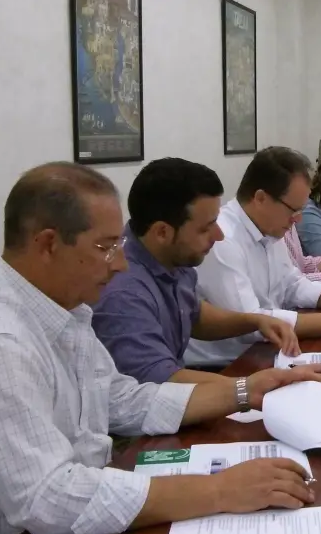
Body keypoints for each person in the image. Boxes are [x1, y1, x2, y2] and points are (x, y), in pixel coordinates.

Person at [0, 162, 321, 534]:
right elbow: (49, 499)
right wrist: (220, 489)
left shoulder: (64, 307)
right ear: (48, 244)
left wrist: (247, 391)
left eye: (119, 244)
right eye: (106, 247)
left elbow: (121, 398)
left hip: (71, 520)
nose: (120, 263)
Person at [92, 158, 303, 385]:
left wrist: (254, 321)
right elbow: (157, 381)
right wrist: (252, 386)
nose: (219, 236)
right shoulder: (123, 292)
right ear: (162, 232)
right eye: (205, 228)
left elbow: (193, 314)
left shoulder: (172, 256)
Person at [188, 147, 321, 364]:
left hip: (269, 350)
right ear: (260, 198)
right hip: (228, 365)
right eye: (293, 209)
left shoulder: (270, 228)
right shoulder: (223, 239)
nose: (298, 219)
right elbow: (252, 323)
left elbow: (292, 284)